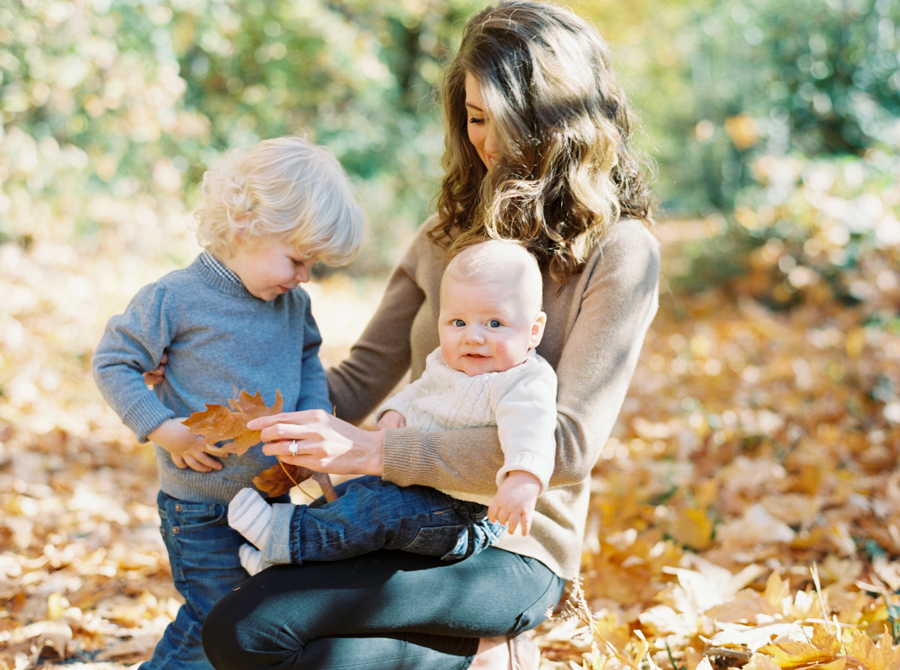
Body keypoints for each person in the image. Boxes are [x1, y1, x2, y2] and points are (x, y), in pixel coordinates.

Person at [201, 1, 661, 668]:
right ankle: (481, 658)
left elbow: (565, 447)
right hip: (393, 519)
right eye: (474, 118)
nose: (487, 142)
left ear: (559, 122)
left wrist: (376, 454)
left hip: (509, 547)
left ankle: (488, 642)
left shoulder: (619, 252)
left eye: (504, 121)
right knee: (262, 635)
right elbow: (358, 379)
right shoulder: (444, 234)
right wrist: (230, 393)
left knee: (255, 629)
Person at [92, 135, 364, 670]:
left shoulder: (292, 304)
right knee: (213, 618)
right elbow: (113, 362)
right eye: (298, 259)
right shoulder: (175, 298)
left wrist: (312, 423)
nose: (305, 276)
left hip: (273, 498)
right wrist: (164, 429)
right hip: (201, 505)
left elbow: (308, 358)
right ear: (246, 227)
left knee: (258, 618)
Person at [228, 238, 557, 576]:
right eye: (458, 323)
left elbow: (531, 430)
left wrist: (522, 479)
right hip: (417, 486)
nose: (472, 337)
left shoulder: (523, 382)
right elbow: (417, 392)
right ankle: (279, 558)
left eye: (494, 323)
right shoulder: (446, 364)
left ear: (534, 331)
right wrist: (394, 413)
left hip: (463, 513)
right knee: (350, 494)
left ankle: (286, 538)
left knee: (372, 511)